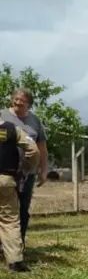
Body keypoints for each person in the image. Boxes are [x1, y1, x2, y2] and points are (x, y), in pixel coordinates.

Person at [1, 88, 48, 244]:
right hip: (4, 172)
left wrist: (43, 171)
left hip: (27, 174)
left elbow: (41, 147)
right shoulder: (2, 116)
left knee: (22, 209)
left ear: (29, 104)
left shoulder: (35, 121)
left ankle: (18, 244)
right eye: (16, 98)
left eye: (22, 100)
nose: (17, 102)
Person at [0, 116, 39, 271]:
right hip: (5, 180)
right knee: (9, 220)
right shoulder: (11, 128)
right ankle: (15, 261)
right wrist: (26, 169)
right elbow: (33, 149)